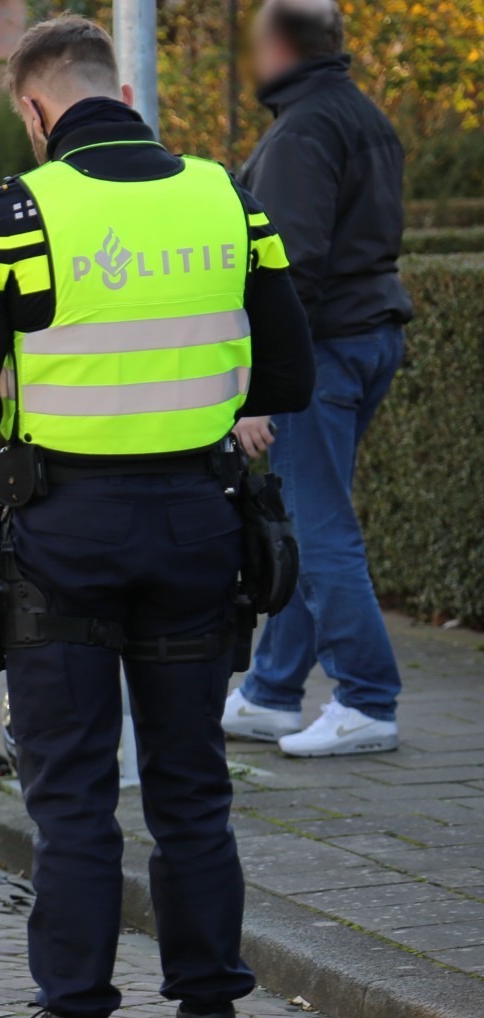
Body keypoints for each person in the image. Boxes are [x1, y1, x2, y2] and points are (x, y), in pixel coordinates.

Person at [0, 16, 316, 1018]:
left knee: (75, 803)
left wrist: (31, 390)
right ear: (119, 89)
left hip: (64, 541)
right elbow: (290, 380)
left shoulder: (16, 214)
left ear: (34, 106)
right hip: (198, 529)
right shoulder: (226, 200)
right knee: (193, 796)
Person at [222, 0, 412, 757]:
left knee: (320, 529)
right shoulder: (364, 117)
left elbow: (290, 265)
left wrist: (264, 385)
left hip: (325, 350)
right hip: (369, 337)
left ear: (276, 45)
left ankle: (368, 700)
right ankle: (270, 693)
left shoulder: (303, 130)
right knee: (306, 520)